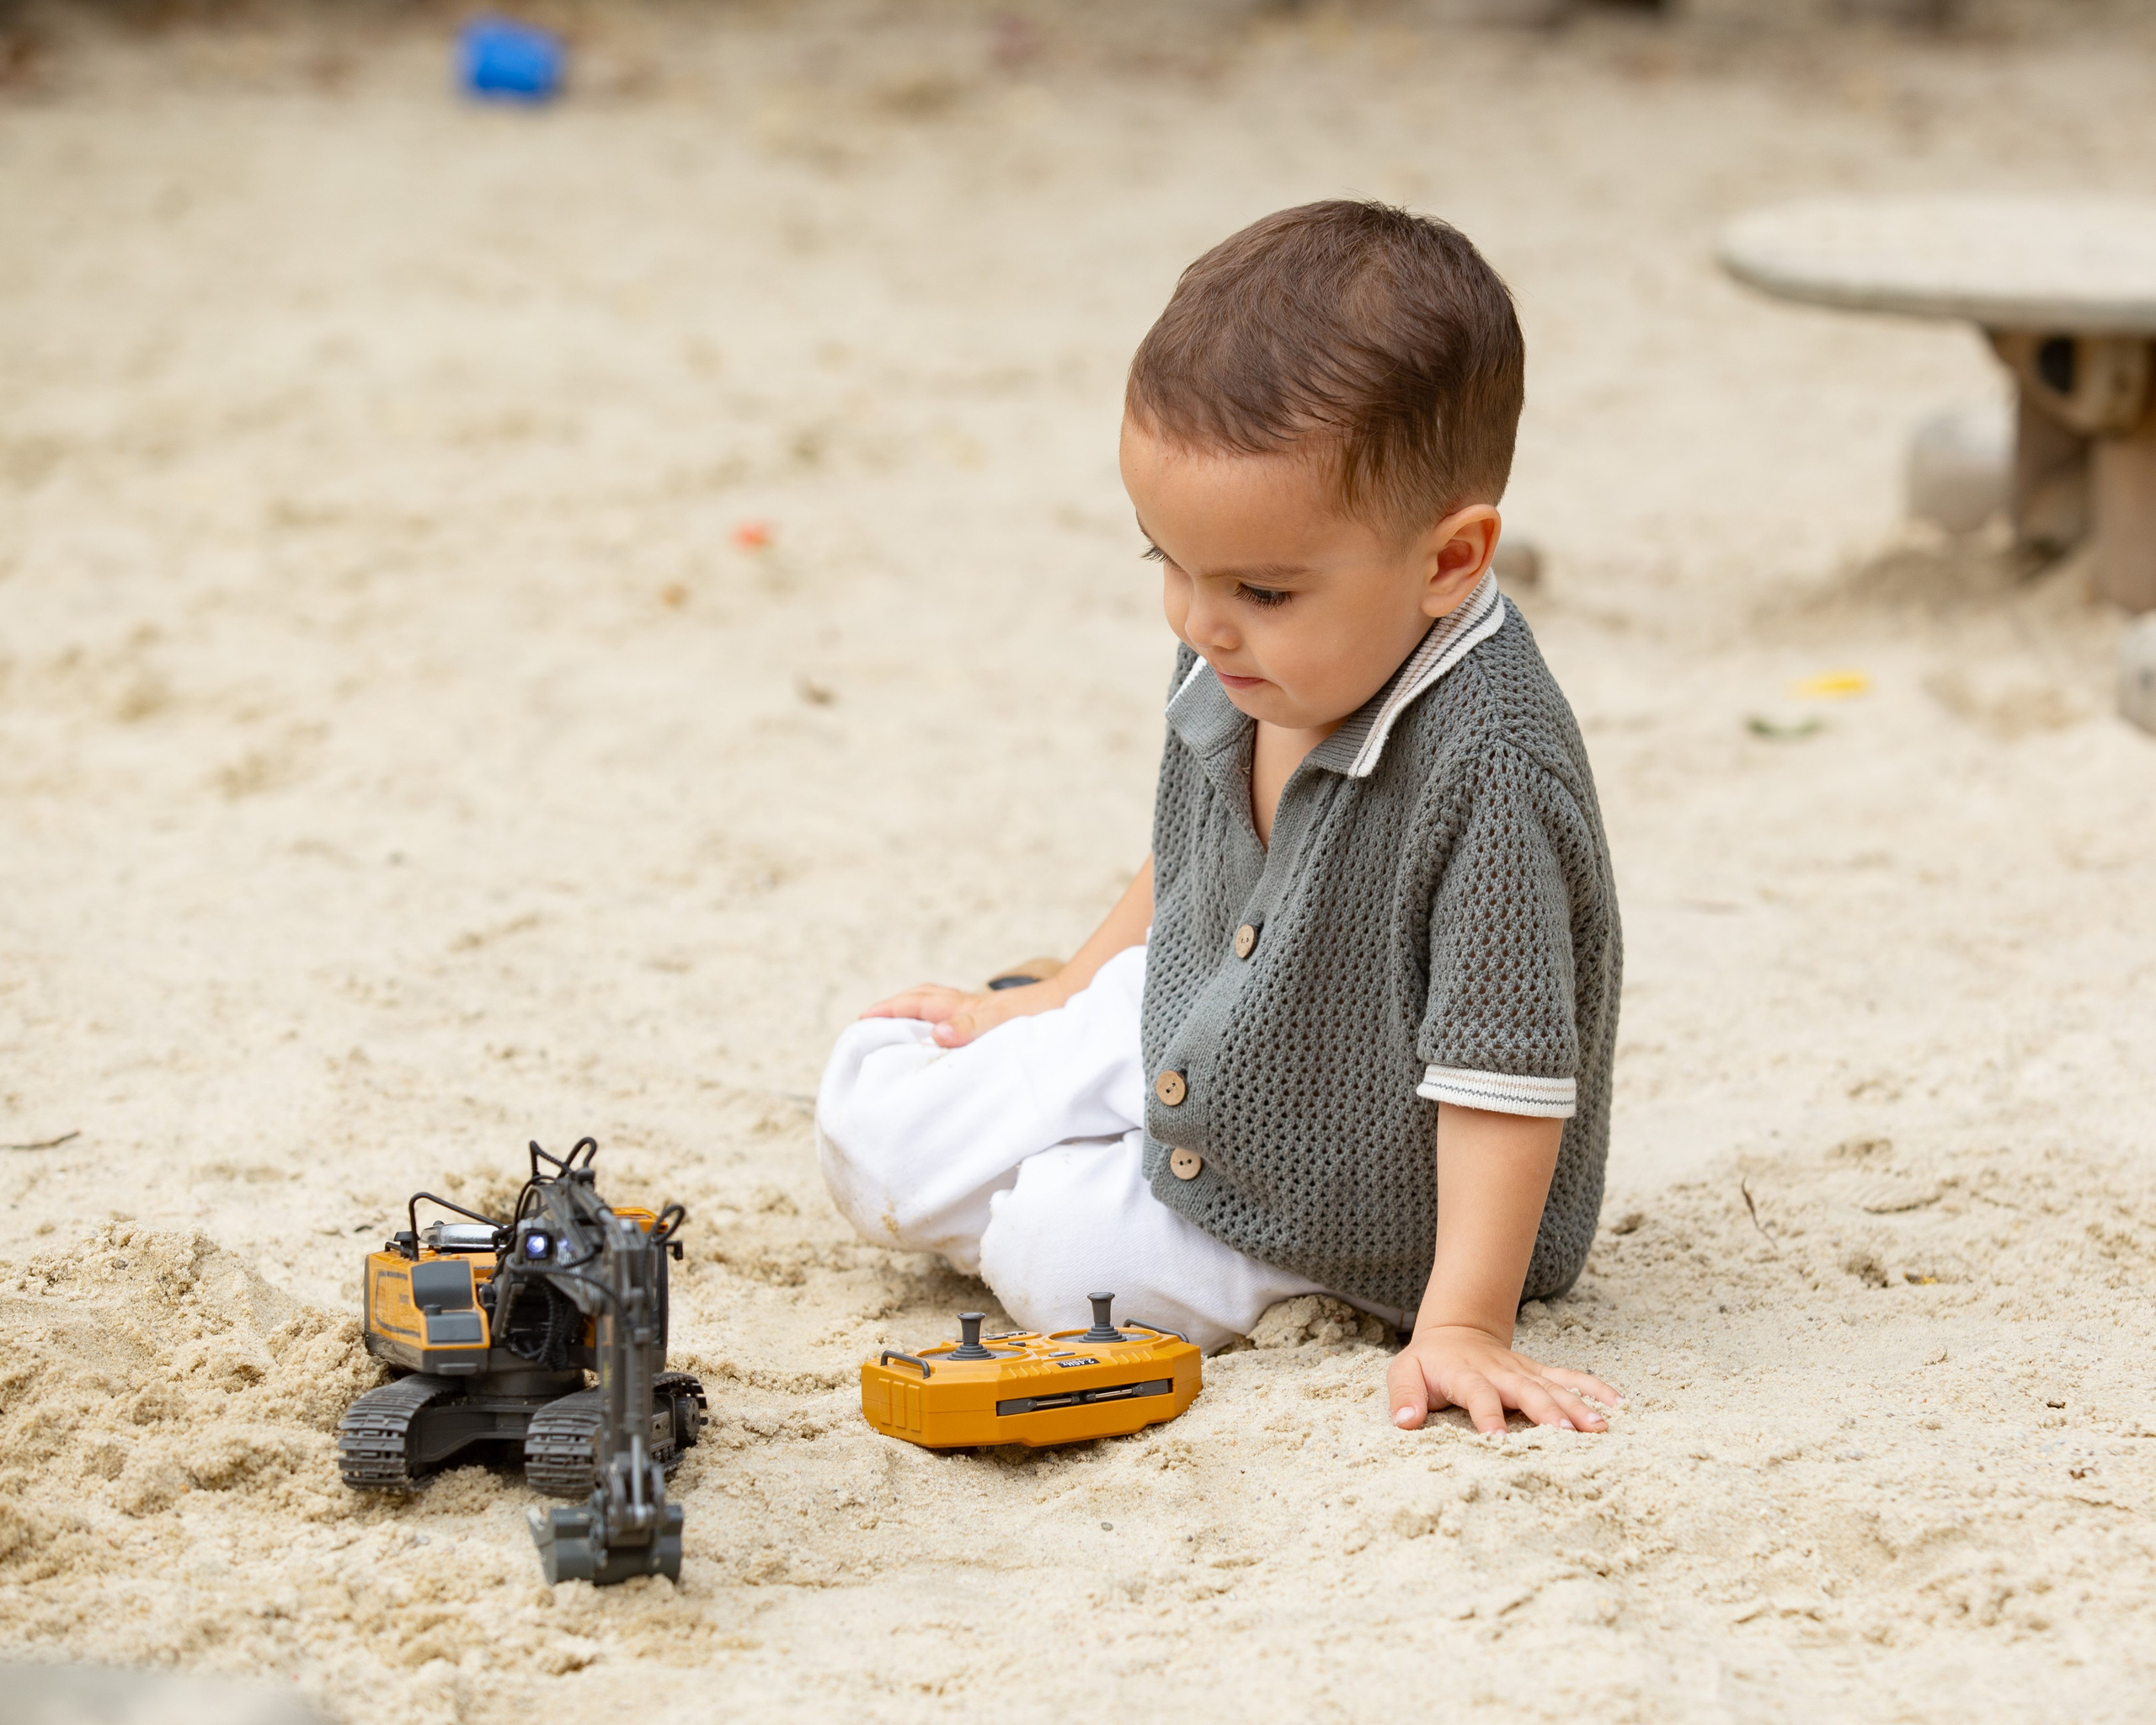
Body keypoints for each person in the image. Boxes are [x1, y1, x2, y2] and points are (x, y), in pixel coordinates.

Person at [817, 201, 1622, 1437]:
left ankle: (1083, 1184)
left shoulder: (1491, 772)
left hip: (1367, 1186)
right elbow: (1187, 860)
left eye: (1258, 586)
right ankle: (1065, 1122)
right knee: (872, 1099)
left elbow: (1504, 1079)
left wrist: (1463, 1320)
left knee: (1056, 1255)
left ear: (1450, 563)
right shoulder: (1247, 653)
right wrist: (1057, 993)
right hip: (1207, 1032)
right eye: (1168, 564)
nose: (1201, 622)